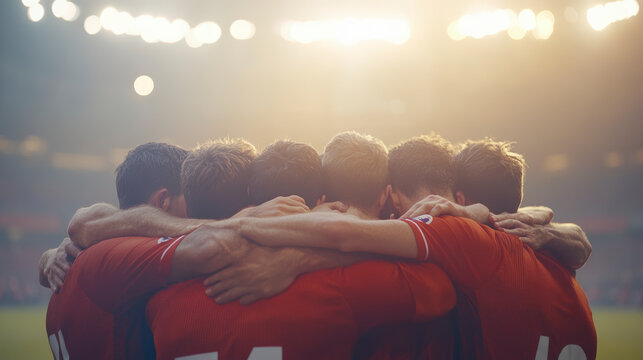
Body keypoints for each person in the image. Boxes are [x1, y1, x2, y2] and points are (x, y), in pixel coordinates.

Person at [144, 132, 457, 359]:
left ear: (253, 198)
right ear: (319, 202)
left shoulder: (155, 299)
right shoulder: (335, 287)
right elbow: (443, 287)